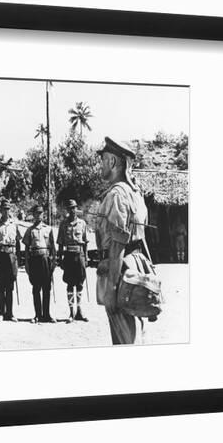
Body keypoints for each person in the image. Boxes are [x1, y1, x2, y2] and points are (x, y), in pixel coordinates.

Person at [95, 137, 149, 345]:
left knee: (124, 338)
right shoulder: (135, 193)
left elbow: (117, 245)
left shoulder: (117, 195)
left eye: (103, 160)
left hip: (121, 272)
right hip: (135, 268)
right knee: (135, 335)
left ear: (112, 162)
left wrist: (111, 290)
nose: (101, 165)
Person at [0, 199, 21, 322]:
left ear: (10, 210)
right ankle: (1, 312)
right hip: (0, 255)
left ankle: (10, 313)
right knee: (1, 285)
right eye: (3, 209)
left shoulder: (14, 224)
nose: (6, 211)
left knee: (10, 285)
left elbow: (18, 243)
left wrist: (17, 259)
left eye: (8, 209)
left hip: (11, 256)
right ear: (0, 210)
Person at [22, 205, 57, 323]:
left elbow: (53, 247)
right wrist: (26, 263)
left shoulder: (48, 229)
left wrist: (54, 261)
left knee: (47, 287)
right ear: (34, 215)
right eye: (36, 213)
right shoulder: (30, 230)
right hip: (34, 260)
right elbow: (26, 248)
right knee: (36, 288)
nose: (38, 215)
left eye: (40, 213)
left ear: (43, 214)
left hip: (46, 259)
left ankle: (46, 315)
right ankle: (37, 314)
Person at [57, 199, 89, 323]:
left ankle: (80, 311)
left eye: (74, 208)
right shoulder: (63, 224)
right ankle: (71, 313)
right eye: (70, 208)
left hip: (79, 254)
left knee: (80, 283)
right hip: (68, 255)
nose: (72, 210)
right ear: (67, 210)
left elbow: (85, 242)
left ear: (77, 209)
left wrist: (86, 258)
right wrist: (60, 259)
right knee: (70, 284)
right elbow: (60, 243)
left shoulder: (82, 223)